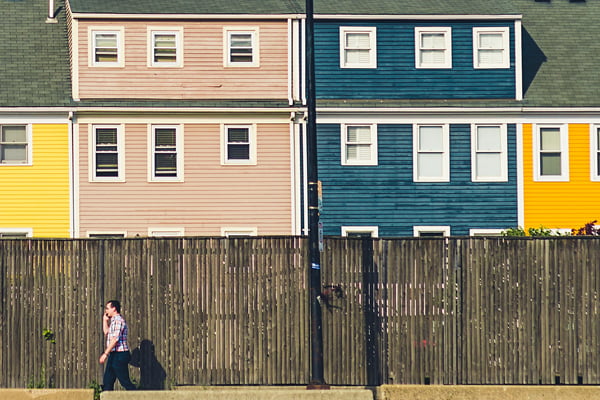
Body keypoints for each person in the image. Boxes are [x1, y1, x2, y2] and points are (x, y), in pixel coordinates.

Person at [99, 300, 136, 390]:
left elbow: (115, 339)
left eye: (107, 308)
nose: (106, 311)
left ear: (114, 309)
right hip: (114, 354)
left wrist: (105, 354)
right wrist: (104, 321)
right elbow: (106, 332)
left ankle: (137, 396)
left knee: (125, 381)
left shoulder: (118, 321)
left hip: (120, 354)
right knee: (108, 381)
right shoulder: (113, 321)